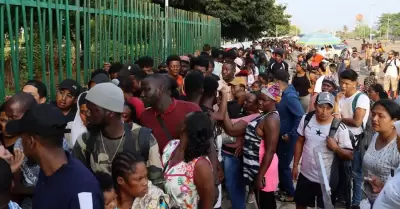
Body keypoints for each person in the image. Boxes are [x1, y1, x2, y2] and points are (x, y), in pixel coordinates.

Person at [6, 104, 103, 209]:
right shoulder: (46, 172)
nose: (20, 143)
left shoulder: (82, 189)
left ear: (30, 141)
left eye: (21, 137)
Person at [72, 83, 163, 186]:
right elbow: (77, 183)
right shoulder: (85, 141)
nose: (87, 115)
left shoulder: (143, 139)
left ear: (110, 113)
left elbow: (157, 185)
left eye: (92, 110)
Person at [293, 92, 353, 209]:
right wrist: (295, 165)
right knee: (300, 204)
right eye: (321, 107)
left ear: (332, 108)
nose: (324, 112)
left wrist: (335, 148)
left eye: (328, 108)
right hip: (305, 175)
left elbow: (350, 155)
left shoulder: (339, 128)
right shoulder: (307, 119)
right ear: (315, 105)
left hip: (326, 180)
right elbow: (300, 141)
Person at [162, 112, 215, 208]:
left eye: (183, 118)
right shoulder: (171, 146)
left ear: (184, 127)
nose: (179, 121)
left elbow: (207, 204)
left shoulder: (200, 165)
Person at [140, 74, 201, 154]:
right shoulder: (145, 117)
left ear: (160, 89)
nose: (142, 94)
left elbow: (208, 143)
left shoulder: (191, 109)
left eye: (146, 90)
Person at [242, 84, 280, 208]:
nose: (260, 102)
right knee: (263, 202)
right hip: (258, 166)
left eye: (264, 100)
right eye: (259, 98)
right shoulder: (265, 114)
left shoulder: (271, 119)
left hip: (264, 168)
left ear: (274, 101)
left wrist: (260, 175)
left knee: (265, 202)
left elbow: (271, 150)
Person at [338, 69, 371, 208]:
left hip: (355, 142)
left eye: (346, 83)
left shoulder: (361, 98)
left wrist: (339, 119)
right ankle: (343, 199)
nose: (343, 86)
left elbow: (357, 122)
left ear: (355, 83)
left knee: (356, 174)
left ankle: (355, 202)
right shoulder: (340, 97)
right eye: (341, 83)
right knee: (342, 174)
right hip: (340, 141)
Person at [274, 69, 304, 202]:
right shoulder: (286, 94)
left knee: (284, 166)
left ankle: (292, 193)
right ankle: (283, 188)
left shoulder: (290, 97)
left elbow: (300, 116)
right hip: (283, 136)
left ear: (279, 82)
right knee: (281, 165)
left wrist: (291, 134)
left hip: (288, 138)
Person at [362, 100, 400, 204]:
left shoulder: (397, 146)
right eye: (373, 114)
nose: (374, 119)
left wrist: (383, 187)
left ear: (394, 121)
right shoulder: (375, 136)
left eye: (380, 116)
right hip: (371, 199)